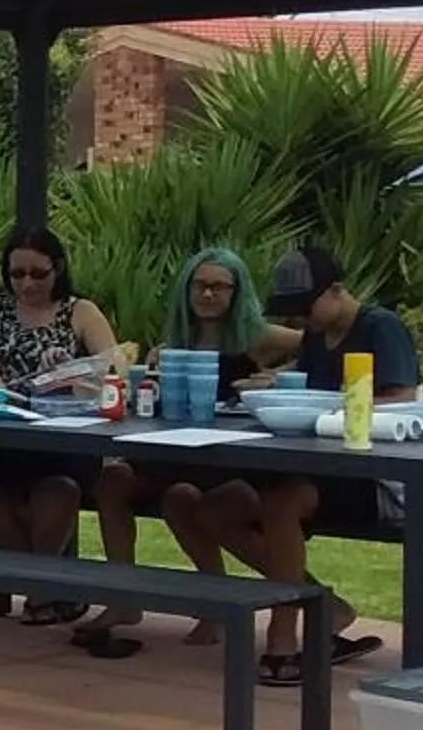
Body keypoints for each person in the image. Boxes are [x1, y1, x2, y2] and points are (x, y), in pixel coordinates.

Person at [158, 246, 397, 683]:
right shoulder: (315, 337)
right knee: (213, 507)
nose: (301, 321)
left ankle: (282, 639)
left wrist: (323, 401)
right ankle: (322, 605)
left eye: (306, 309)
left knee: (280, 502)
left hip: (370, 473)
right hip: (310, 462)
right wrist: (274, 385)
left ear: (337, 291)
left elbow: (402, 400)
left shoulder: (380, 328)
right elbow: (305, 380)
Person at [81, 247, 299, 655]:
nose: (209, 294)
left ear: (237, 292)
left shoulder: (256, 336)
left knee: (183, 499)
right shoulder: (176, 342)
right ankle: (123, 596)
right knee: (112, 480)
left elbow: (319, 348)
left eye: (219, 286)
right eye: (200, 285)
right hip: (177, 451)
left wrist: (278, 378)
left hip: (230, 457)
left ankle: (214, 604)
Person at [0, 228, 119, 623]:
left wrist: (73, 375)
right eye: (17, 274)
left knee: (58, 491)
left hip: (64, 441)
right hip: (3, 436)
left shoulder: (79, 311)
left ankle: (39, 591)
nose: (27, 284)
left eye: (38, 273)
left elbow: (115, 373)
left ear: (58, 269)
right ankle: (47, 584)